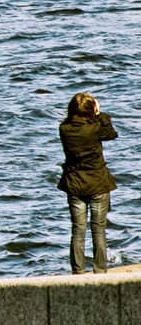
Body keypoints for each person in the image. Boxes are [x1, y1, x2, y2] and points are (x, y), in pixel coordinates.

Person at [58, 92, 118, 273]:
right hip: (97, 183)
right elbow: (111, 133)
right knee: (98, 229)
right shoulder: (95, 128)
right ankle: (100, 270)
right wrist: (100, 114)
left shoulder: (64, 129)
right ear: (90, 111)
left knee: (78, 230)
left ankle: (78, 271)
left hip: (75, 183)